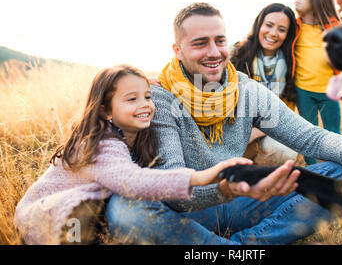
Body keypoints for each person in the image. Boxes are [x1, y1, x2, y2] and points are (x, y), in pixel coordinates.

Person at [106, 3, 342, 245]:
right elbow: (175, 195)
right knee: (124, 209)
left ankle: (249, 242)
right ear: (178, 50)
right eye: (200, 43)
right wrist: (226, 189)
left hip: (245, 202)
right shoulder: (158, 97)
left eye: (220, 41)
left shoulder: (247, 91)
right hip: (187, 213)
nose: (214, 53)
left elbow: (312, 138)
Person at [14, 64, 251, 245]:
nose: (145, 105)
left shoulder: (136, 136)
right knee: (127, 203)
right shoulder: (99, 143)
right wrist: (200, 178)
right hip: (46, 218)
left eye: (147, 97)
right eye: (132, 99)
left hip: (89, 216)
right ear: (106, 110)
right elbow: (132, 180)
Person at [230, 3, 299, 165]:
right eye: (269, 25)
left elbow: (282, 116)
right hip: (232, 128)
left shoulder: (292, 65)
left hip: (267, 131)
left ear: (288, 35)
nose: (273, 33)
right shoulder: (237, 53)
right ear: (259, 25)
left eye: (282, 29)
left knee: (284, 150)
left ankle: (262, 179)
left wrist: (255, 132)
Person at [294, 0, 342, 165]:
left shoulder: (334, 28)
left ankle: (337, 168)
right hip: (303, 90)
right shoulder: (294, 27)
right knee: (308, 133)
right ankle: (313, 170)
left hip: (329, 90)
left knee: (333, 132)